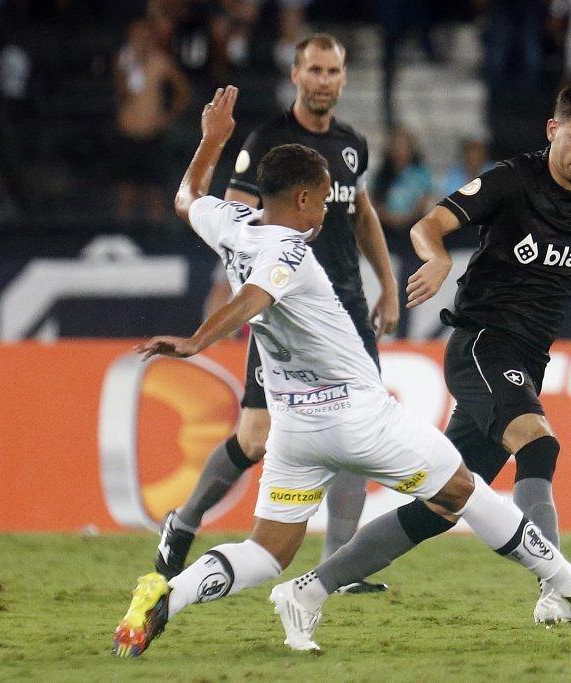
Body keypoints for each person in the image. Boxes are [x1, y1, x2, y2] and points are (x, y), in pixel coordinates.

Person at [112, 86, 571, 656]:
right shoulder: (288, 251)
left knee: (266, 552)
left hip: (294, 431)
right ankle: (570, 585)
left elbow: (188, 197)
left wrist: (211, 141)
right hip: (359, 417)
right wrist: (197, 341)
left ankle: (169, 595)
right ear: (306, 198)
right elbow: (256, 299)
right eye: (323, 204)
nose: (325, 216)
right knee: (465, 490)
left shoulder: (233, 223)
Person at [286, 80, 571, 627]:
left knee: (441, 506)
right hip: (480, 343)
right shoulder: (511, 180)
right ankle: (560, 588)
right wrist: (436, 259)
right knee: (539, 444)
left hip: (526, 359)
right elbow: (431, 224)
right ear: (553, 129)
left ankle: (309, 591)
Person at [155, 33, 399, 595]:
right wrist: (245, 298)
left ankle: (340, 564)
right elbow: (238, 225)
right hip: (282, 312)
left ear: (343, 78)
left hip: (344, 313)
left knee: (360, 429)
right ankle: (186, 518)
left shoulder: (351, 145)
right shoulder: (268, 142)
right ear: (295, 74)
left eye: (333, 71)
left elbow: (361, 215)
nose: (323, 81)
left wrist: (386, 283)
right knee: (256, 436)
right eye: (314, 69)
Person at [114, 17, 192, 222]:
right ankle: (125, 235)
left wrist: (168, 116)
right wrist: (130, 70)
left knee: (154, 192)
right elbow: (122, 94)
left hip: (152, 135)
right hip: (127, 134)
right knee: (126, 191)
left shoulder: (161, 61)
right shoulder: (124, 61)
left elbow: (183, 91)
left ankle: (156, 240)